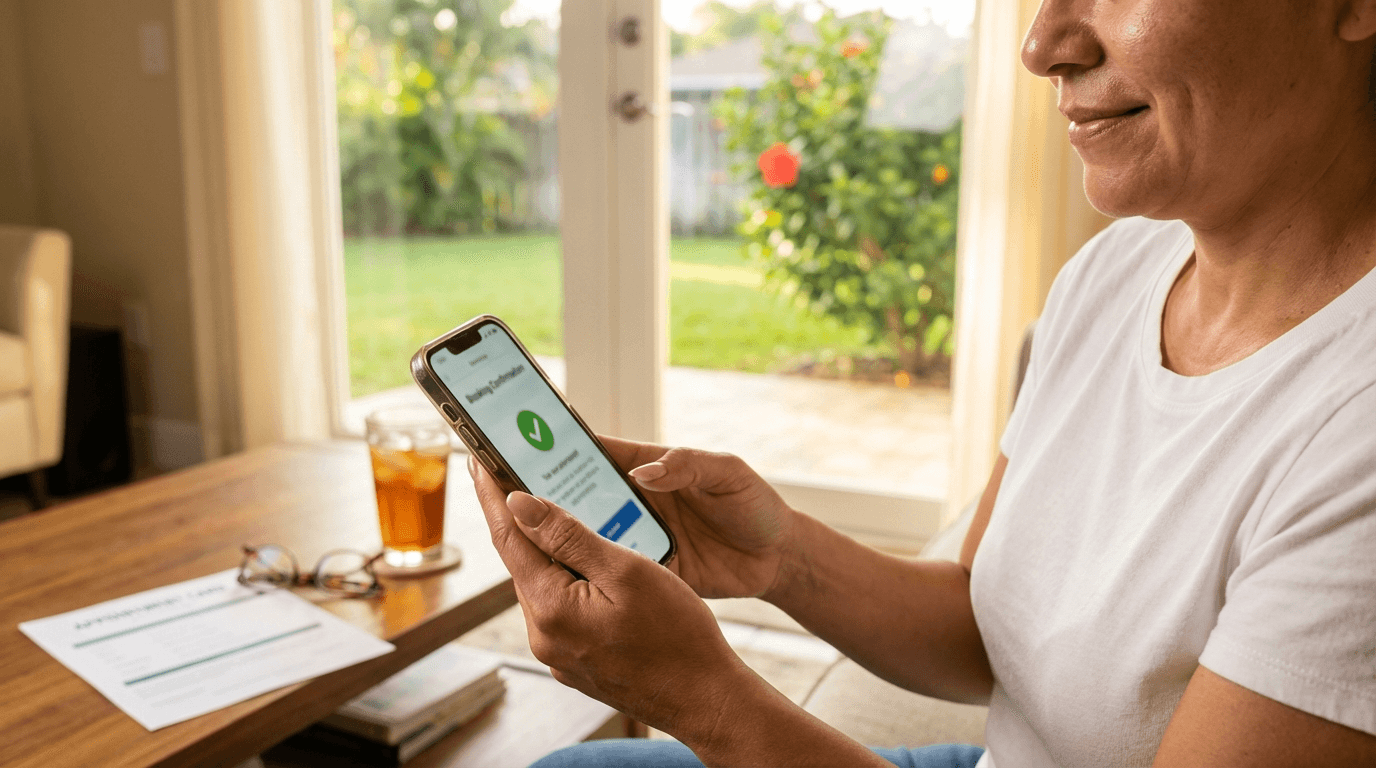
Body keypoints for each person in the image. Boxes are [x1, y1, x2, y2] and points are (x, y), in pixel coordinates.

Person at [468, 0, 1376, 764]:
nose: (1042, 44)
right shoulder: (1116, 272)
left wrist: (704, 698)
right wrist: (779, 555)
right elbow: (987, 635)